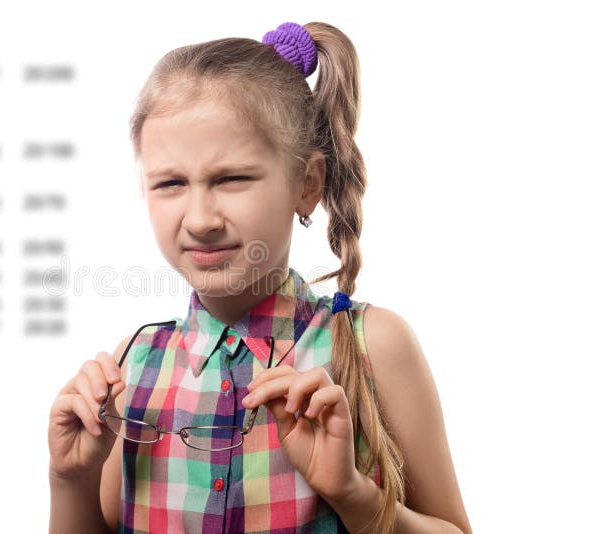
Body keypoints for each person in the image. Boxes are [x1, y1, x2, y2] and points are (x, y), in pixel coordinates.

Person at [48, 21, 471, 534]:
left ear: (307, 185)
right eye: (171, 183)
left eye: (232, 179)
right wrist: (70, 479)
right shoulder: (133, 366)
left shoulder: (371, 347)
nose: (201, 218)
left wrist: (352, 493)